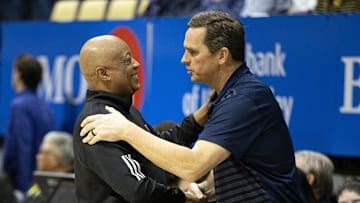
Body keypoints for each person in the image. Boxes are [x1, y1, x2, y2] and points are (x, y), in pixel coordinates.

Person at [80, 11, 304, 202]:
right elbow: (238, 163)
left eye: (193, 52)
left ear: (222, 56)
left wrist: (126, 130)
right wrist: (205, 188)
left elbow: (192, 166)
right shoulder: (226, 97)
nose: (184, 59)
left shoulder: (244, 99)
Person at [73, 35, 209, 203]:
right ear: (104, 74)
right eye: (127, 60)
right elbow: (139, 191)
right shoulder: (97, 122)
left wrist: (199, 118)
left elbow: (158, 150)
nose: (136, 64)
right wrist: (183, 198)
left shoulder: (124, 111)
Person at [2, 54, 55, 197]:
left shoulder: (19, 105)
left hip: (23, 185)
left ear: (19, 74)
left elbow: (23, 146)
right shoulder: (45, 107)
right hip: (39, 182)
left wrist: (24, 189)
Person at [25, 131, 74, 203]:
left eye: (41, 152)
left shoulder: (71, 188)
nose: (37, 157)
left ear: (55, 159)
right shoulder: (42, 179)